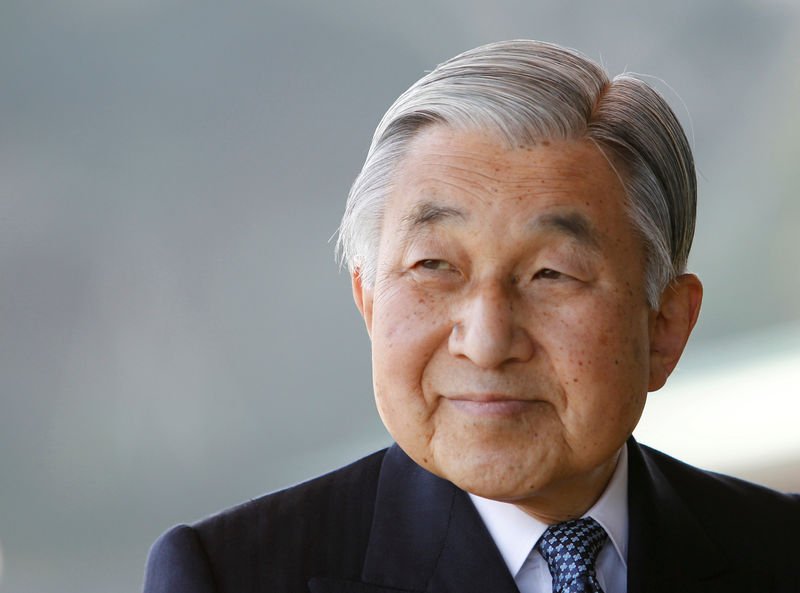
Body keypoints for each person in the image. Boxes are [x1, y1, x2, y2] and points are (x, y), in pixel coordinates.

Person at [143, 40, 799, 593]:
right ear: (368, 300)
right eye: (433, 266)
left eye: (550, 273)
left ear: (665, 327)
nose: (486, 341)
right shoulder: (232, 575)